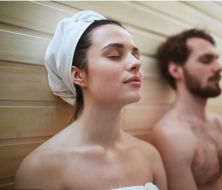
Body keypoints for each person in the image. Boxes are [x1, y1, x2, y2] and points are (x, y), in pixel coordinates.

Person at [14, 10, 167, 190]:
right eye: (114, 55)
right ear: (78, 75)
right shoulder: (41, 168)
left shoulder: (149, 156)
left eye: (136, 55)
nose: (136, 63)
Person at [150, 29, 222, 190]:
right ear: (176, 70)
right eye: (206, 60)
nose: (219, 68)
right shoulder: (171, 134)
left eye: (216, 60)